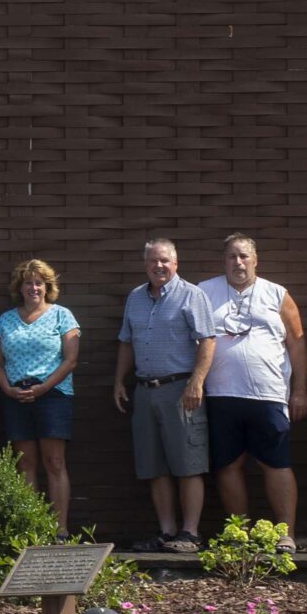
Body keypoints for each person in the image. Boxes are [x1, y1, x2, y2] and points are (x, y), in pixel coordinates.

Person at [196, 235, 307, 556]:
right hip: (220, 395)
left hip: (269, 396)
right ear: (224, 260)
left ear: (255, 260)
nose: (238, 262)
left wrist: (299, 389)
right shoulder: (205, 291)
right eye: (232, 256)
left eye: (244, 256)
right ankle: (239, 535)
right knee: (228, 465)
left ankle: (286, 534)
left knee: (277, 463)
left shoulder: (277, 294)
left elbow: (297, 343)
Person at [110, 237, 215, 554]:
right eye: (154, 261)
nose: (159, 266)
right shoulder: (136, 298)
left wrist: (197, 381)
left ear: (176, 263)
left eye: (165, 260)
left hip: (181, 390)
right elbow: (126, 342)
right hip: (144, 390)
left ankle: (190, 533)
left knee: (188, 463)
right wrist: (119, 381)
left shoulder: (191, 295)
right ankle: (168, 531)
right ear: (146, 264)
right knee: (153, 464)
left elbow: (207, 341)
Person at [0, 259, 79, 533]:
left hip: (52, 395)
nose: (34, 288)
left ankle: (60, 530)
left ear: (47, 287)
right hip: (16, 397)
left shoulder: (62, 315)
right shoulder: (6, 319)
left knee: (54, 462)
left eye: (39, 283)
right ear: (20, 287)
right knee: (25, 463)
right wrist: (7, 389)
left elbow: (70, 360)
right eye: (28, 282)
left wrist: (43, 388)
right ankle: (33, 528)